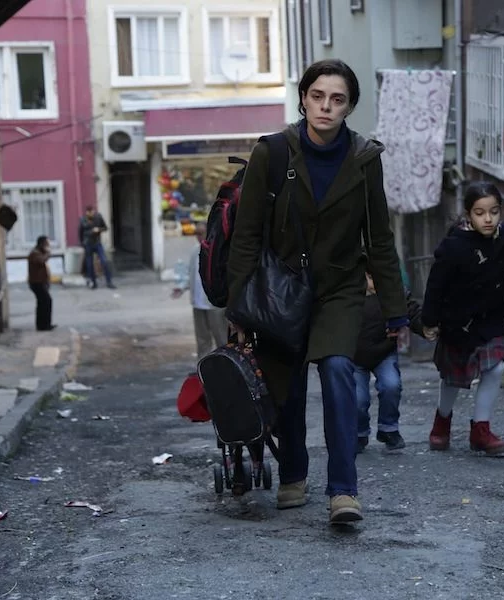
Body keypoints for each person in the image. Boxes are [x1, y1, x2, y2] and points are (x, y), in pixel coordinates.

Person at [225, 59, 408, 525]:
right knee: (286, 385)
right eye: (318, 96)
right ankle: (293, 473)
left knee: (339, 371)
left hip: (339, 289)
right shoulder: (272, 152)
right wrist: (239, 308)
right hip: (280, 288)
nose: (326, 106)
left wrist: (395, 311)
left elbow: (380, 239)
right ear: (303, 99)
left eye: (337, 99)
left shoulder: (364, 159)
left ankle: (343, 490)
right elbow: (247, 236)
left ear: (350, 107)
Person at [422, 182, 504, 456]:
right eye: (480, 213)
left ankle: (481, 429)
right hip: (458, 322)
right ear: (468, 214)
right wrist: (429, 320)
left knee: (494, 369)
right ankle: (442, 421)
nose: (488, 219)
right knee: (452, 378)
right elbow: (435, 286)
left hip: (492, 317)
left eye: (494, 211)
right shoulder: (453, 247)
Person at [354, 272, 424, 453]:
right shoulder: (349, 295)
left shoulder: (391, 291)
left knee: (391, 385)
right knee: (358, 398)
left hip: (384, 351)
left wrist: (425, 326)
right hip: (355, 356)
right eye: (368, 277)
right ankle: (359, 432)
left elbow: (411, 309)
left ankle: (388, 428)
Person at [172, 222, 227, 359]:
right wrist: (181, 287)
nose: (198, 236)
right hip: (198, 302)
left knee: (221, 338)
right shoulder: (194, 251)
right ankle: (203, 365)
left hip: (214, 304)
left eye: (201, 233)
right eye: (196, 233)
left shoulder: (217, 250)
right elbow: (190, 274)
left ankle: (225, 365)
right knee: (202, 339)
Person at [78, 205, 115, 289]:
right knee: (90, 264)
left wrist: (99, 229)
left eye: (92, 212)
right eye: (89, 213)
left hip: (97, 243)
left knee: (104, 261)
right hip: (88, 244)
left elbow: (105, 228)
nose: (91, 214)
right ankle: (93, 283)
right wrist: (82, 243)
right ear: (86, 213)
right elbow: (80, 233)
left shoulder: (98, 217)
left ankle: (109, 282)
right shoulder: (82, 220)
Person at [27, 235, 56, 331]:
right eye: (46, 244)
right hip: (37, 283)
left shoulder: (39, 252)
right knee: (46, 301)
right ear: (41, 244)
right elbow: (42, 260)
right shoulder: (35, 253)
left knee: (42, 303)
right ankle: (44, 325)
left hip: (41, 282)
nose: (48, 246)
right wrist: (48, 253)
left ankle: (43, 324)